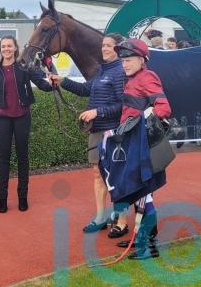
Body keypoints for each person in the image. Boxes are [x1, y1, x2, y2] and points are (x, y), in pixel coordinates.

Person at [50, 33, 128, 235]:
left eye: (109, 46)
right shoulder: (101, 70)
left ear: (118, 49)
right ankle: (101, 216)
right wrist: (62, 81)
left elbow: (123, 105)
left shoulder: (120, 71)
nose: (104, 49)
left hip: (112, 132)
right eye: (103, 45)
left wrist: (97, 112)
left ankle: (121, 219)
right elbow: (86, 89)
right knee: (97, 174)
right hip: (96, 131)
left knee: (116, 176)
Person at [113, 38, 171, 260]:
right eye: (122, 61)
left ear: (141, 60)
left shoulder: (147, 77)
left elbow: (164, 108)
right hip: (133, 145)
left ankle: (149, 246)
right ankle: (142, 238)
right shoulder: (133, 78)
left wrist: (139, 124)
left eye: (128, 60)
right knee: (140, 196)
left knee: (144, 197)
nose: (124, 64)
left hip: (142, 147)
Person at [0, 36, 53, 213]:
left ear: (15, 48)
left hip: (22, 117)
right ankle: (2, 198)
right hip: (3, 119)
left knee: (23, 157)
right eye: (3, 46)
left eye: (9, 46)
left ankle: (23, 197)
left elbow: (41, 84)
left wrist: (53, 83)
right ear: (1, 49)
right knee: (3, 159)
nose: (6, 49)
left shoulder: (24, 67)